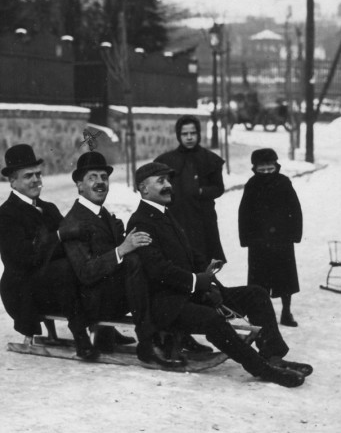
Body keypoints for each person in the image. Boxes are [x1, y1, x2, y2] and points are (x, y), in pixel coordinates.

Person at [127, 161, 312, 386]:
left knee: (256, 294)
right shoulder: (141, 221)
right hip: (168, 306)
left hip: (189, 295)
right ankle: (261, 369)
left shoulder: (166, 214)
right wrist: (197, 281)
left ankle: (273, 356)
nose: (168, 185)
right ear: (143, 189)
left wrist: (208, 276)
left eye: (168, 180)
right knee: (211, 319)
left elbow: (189, 255)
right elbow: (158, 270)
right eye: (161, 181)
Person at [0, 144, 98, 361]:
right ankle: (81, 336)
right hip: (23, 289)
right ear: (12, 181)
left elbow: (67, 243)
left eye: (38, 174)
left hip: (54, 283)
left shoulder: (48, 208)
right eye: (28, 176)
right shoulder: (6, 215)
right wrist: (59, 237)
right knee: (64, 268)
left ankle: (103, 325)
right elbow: (24, 258)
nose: (35, 180)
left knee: (83, 261)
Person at [59, 151, 149, 352]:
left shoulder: (102, 213)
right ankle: (149, 340)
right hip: (92, 303)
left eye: (104, 177)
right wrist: (122, 249)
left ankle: (164, 333)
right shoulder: (73, 221)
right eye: (92, 177)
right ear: (79, 185)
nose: (100, 183)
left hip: (109, 293)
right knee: (135, 263)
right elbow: (85, 272)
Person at [238, 149, 303, 328]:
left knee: (286, 279)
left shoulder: (284, 182)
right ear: (255, 169)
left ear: (276, 166)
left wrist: (294, 234)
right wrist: (247, 238)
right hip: (259, 242)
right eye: (262, 170)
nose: (266, 172)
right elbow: (244, 213)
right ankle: (259, 313)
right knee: (259, 280)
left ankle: (286, 312)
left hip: (282, 240)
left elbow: (295, 209)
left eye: (270, 168)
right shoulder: (251, 185)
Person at [154, 115, 227, 264]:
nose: (189, 138)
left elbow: (218, 188)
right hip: (177, 216)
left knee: (204, 259)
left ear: (198, 134)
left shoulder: (210, 159)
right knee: (179, 257)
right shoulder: (165, 161)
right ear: (178, 135)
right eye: (184, 134)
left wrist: (201, 191)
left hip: (203, 217)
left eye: (193, 133)